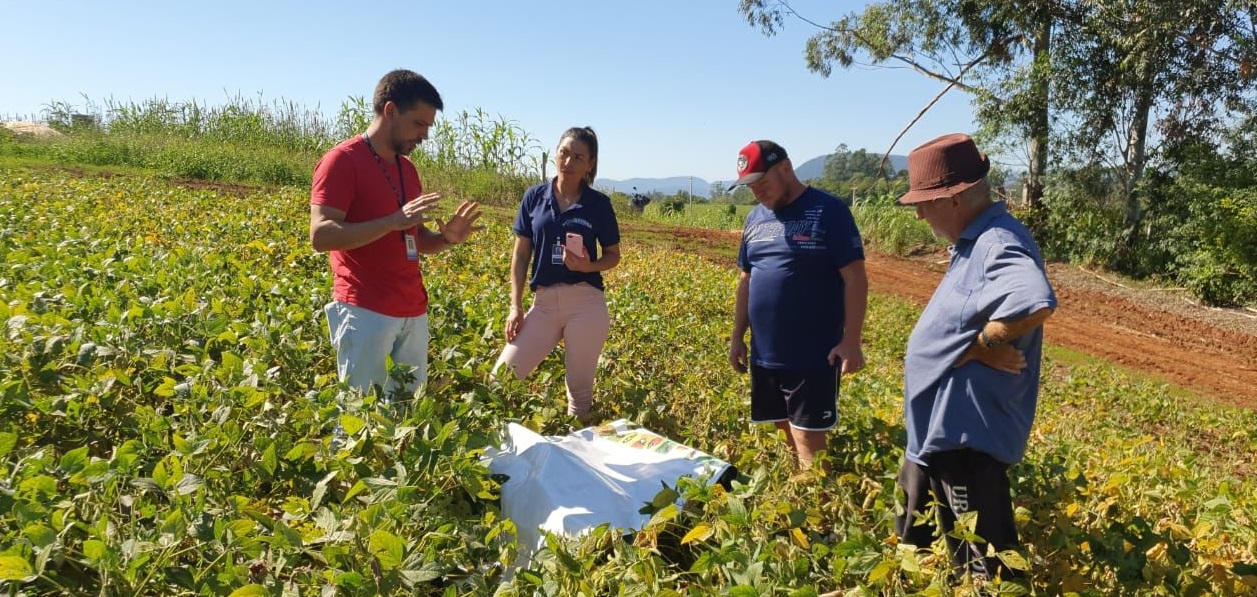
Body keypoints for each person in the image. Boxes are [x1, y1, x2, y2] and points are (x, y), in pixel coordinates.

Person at [894, 133, 1056, 580]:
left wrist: (982, 345)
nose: (920, 213)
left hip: (967, 437)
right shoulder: (973, 240)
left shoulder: (997, 241)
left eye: (924, 203)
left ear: (956, 197)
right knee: (916, 551)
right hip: (936, 435)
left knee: (985, 569)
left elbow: (1036, 300)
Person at [309, 69, 482, 399]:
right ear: (390, 111)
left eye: (428, 127)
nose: (425, 136)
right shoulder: (342, 161)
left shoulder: (407, 169)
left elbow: (415, 238)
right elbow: (321, 235)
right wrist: (391, 221)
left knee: (408, 412)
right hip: (365, 311)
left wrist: (447, 239)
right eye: (419, 124)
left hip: (413, 310)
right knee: (359, 415)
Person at [727, 140, 868, 469]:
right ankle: (797, 502)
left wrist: (851, 341)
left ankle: (820, 511)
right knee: (782, 432)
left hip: (812, 355)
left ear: (786, 168)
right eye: (750, 186)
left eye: (762, 181)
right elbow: (747, 280)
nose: (757, 192)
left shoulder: (828, 210)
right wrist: (737, 337)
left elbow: (855, 278)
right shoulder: (755, 219)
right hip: (765, 355)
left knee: (808, 441)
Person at [493, 127, 620, 420]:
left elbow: (613, 255)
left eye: (578, 157)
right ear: (555, 153)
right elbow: (521, 254)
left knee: (579, 395)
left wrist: (589, 266)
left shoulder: (598, 205)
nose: (568, 162)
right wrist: (515, 306)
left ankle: (576, 452)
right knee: (501, 379)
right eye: (564, 153)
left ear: (590, 164)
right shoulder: (534, 197)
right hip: (544, 304)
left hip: (586, 304)